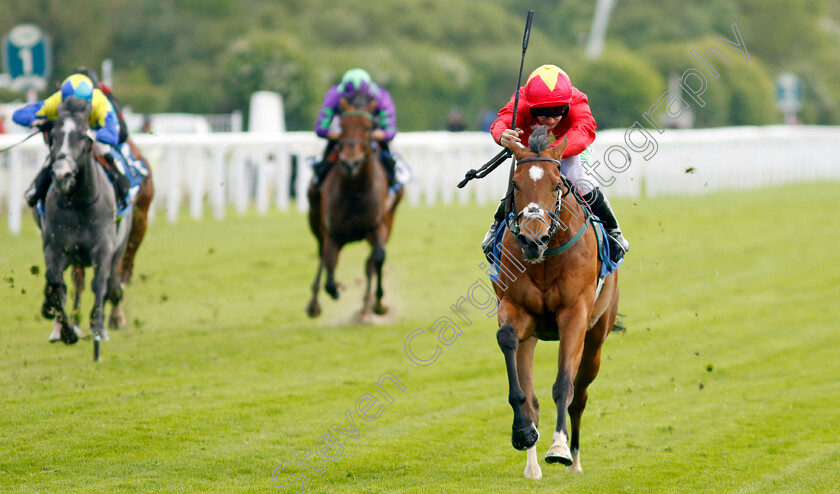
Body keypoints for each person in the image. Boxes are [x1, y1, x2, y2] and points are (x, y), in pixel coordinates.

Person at [483, 64, 630, 263]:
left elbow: (584, 129)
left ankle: (613, 230)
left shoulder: (577, 99)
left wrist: (555, 153)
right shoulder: (522, 99)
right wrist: (501, 134)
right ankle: (496, 227)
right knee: (522, 183)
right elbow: (503, 120)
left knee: (579, 177)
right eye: (543, 112)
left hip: (569, 145)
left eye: (559, 110)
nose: (551, 119)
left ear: (568, 103)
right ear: (531, 106)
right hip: (533, 147)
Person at [13, 72, 131, 208]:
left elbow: (113, 136)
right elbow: (18, 115)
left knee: (106, 154)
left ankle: (122, 190)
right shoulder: (57, 100)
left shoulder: (100, 104)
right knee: (57, 155)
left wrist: (93, 134)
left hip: (96, 132)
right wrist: (36, 122)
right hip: (69, 135)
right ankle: (36, 189)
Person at [312, 68, 398, 187]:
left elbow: (390, 131)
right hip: (343, 133)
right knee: (324, 164)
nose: (356, 102)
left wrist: (370, 135)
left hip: (370, 133)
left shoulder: (380, 96)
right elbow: (320, 128)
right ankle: (317, 185)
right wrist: (341, 135)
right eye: (351, 98)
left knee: (388, 160)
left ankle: (394, 182)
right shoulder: (334, 95)